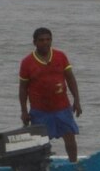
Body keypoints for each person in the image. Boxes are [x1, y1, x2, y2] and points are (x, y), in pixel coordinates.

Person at [19, 27, 82, 162]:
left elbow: (70, 78)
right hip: (40, 110)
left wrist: (77, 100)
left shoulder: (60, 56)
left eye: (48, 39)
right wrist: (24, 111)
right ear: (34, 42)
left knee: (70, 137)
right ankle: (42, 168)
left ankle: (74, 165)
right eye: (41, 40)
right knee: (40, 144)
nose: (45, 43)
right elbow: (23, 89)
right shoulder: (27, 62)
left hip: (62, 107)